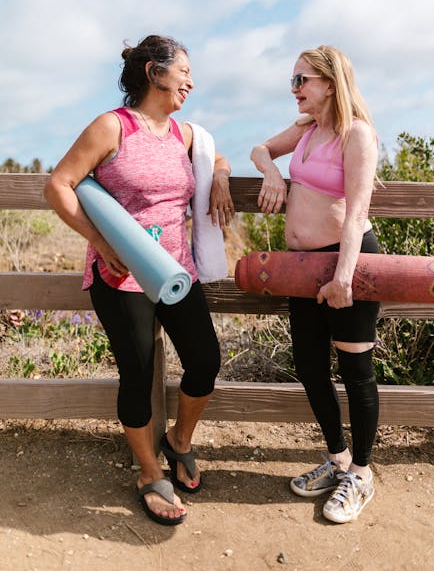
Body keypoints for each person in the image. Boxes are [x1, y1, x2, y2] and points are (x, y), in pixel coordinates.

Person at [44, 34, 234, 526]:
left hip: (176, 271)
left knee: (205, 360)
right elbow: (58, 184)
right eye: (183, 71)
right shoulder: (112, 126)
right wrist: (103, 246)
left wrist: (222, 176)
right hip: (119, 274)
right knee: (137, 373)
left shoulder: (183, 134)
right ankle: (149, 472)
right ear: (154, 72)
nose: (191, 81)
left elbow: (214, 155)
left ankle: (179, 441)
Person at [250, 45, 380, 524]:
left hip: (346, 263)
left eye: (301, 80)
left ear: (330, 82)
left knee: (355, 370)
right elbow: (260, 148)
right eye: (293, 82)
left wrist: (344, 276)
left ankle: (362, 474)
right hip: (302, 267)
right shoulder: (306, 129)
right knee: (308, 365)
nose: (295, 90)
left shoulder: (357, 135)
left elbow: (358, 210)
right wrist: (273, 174)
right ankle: (338, 458)